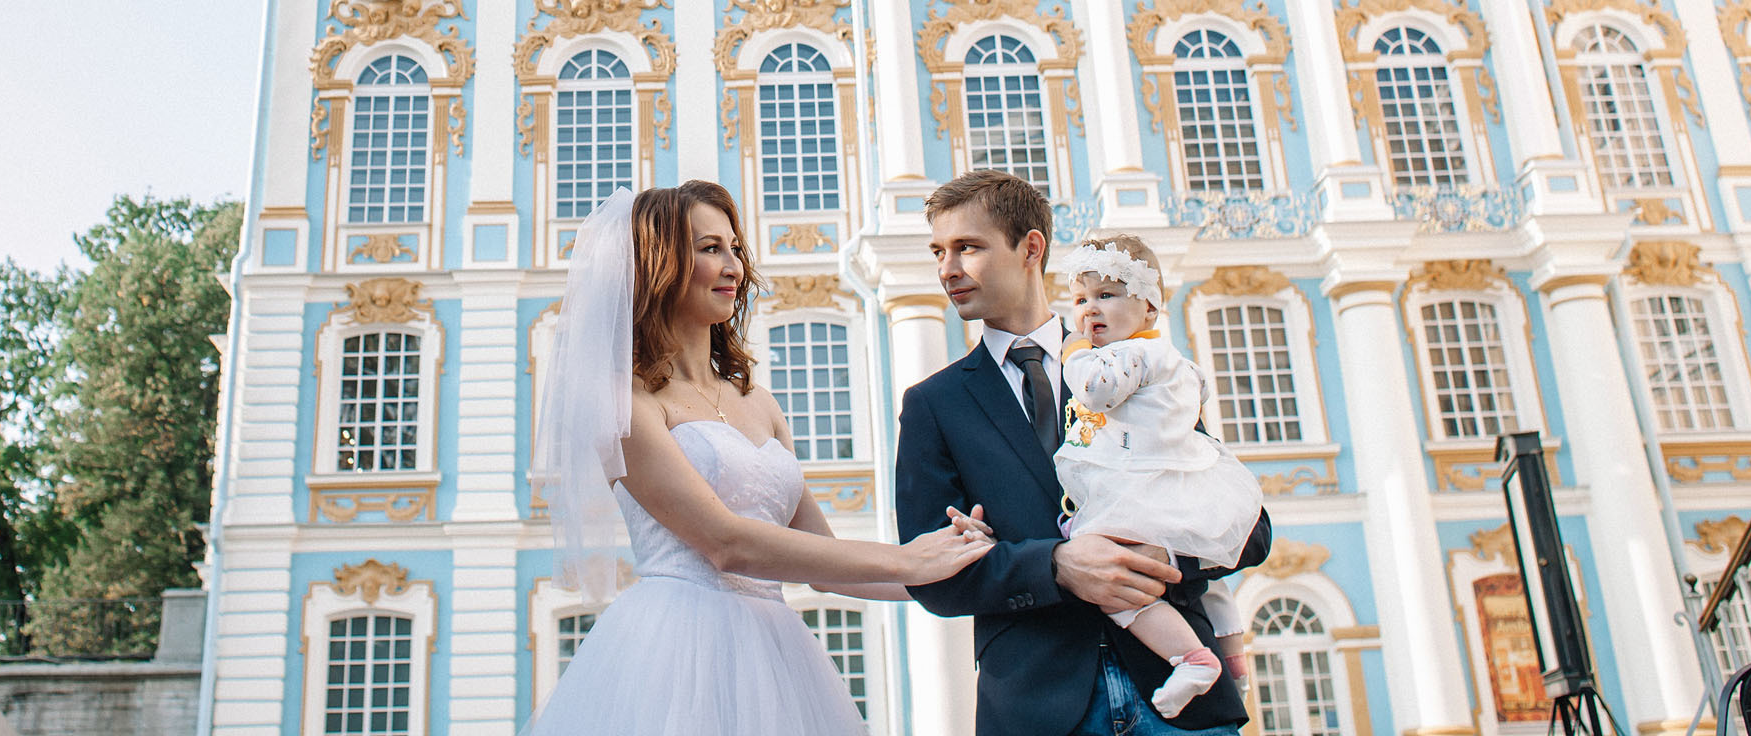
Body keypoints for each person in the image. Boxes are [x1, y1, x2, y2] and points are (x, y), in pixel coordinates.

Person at [525, 180, 994, 736]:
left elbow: (825, 563)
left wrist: (979, 570)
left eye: (735, 249)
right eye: (709, 249)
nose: (734, 267)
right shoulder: (625, 404)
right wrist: (911, 559)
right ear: (659, 265)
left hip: (778, 655)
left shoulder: (760, 401)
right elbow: (726, 544)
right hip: (675, 656)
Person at [894, 170, 1272, 736]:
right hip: (1035, 708)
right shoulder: (933, 405)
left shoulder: (1140, 367)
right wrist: (1056, 566)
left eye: (967, 247)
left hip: (1181, 705)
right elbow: (929, 576)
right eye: (938, 252)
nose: (947, 268)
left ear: (1031, 247)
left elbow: (1249, 526)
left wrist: (1159, 556)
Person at [1056, 233, 1262, 717]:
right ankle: (1233, 663)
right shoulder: (1171, 358)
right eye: (1081, 300)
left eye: (1106, 296)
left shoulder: (1130, 356)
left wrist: (1074, 354)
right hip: (1181, 480)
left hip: (1141, 485)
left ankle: (1190, 657)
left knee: (1119, 586)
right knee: (1214, 586)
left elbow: (1096, 390)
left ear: (1149, 308)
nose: (1089, 311)